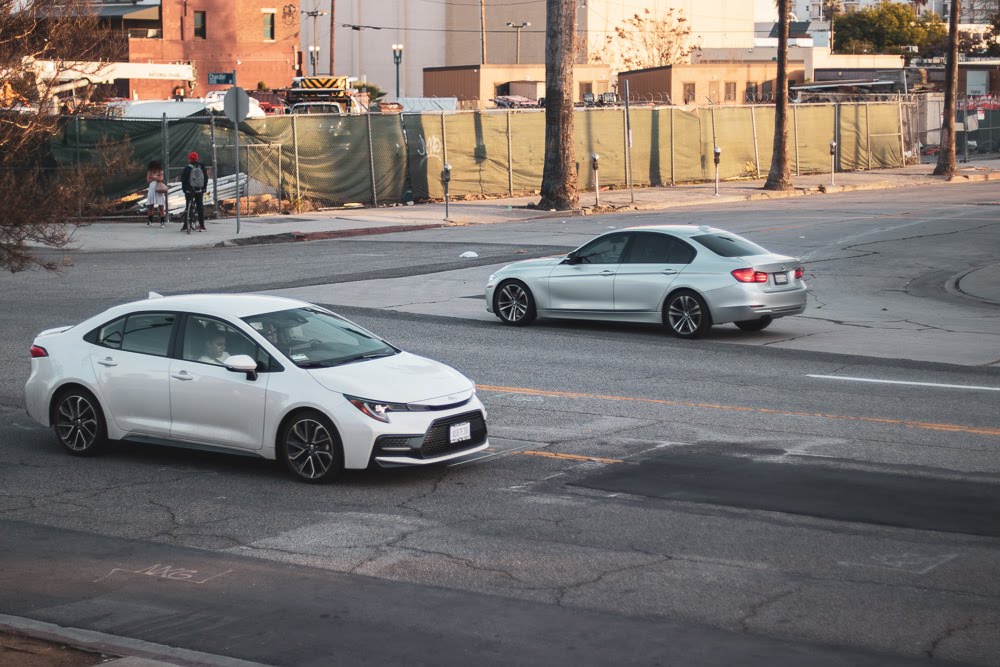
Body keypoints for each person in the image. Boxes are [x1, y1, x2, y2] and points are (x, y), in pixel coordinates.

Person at [180, 151, 207, 232]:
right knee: (199, 207)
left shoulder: (187, 168)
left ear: (189, 159)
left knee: (188, 205)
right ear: (197, 158)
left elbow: (183, 180)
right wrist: (204, 188)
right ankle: (202, 226)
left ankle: (185, 225)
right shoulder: (201, 167)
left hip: (189, 190)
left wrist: (184, 190)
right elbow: (205, 178)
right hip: (199, 190)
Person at [145, 160, 167, 228]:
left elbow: (161, 179)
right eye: (153, 167)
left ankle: (162, 222)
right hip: (151, 189)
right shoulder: (149, 171)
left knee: (161, 206)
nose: (154, 168)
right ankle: (150, 221)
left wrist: (153, 177)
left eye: (155, 167)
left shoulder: (160, 171)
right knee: (150, 206)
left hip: (158, 189)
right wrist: (156, 178)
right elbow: (148, 180)